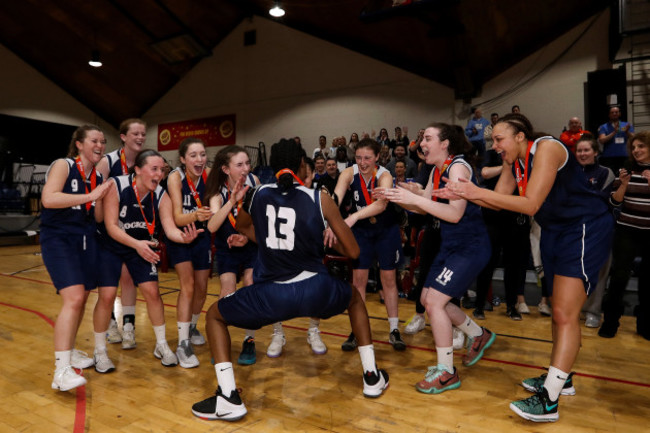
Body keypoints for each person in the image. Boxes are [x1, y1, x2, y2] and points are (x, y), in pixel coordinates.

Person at [191, 138, 389, 421]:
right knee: (355, 299)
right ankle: (371, 377)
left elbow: (243, 226)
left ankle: (228, 397)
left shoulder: (257, 194)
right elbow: (354, 252)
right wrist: (320, 244)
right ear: (302, 165)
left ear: (271, 165)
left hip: (272, 296)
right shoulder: (318, 196)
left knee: (214, 316)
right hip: (315, 289)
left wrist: (271, 243)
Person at [440, 113, 614, 422]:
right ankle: (560, 377)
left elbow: (530, 204)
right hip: (554, 231)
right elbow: (500, 200)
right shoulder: (512, 162)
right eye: (492, 140)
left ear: (520, 136)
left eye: (499, 139)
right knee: (559, 310)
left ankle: (549, 401)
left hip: (585, 227)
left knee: (563, 313)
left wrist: (475, 192)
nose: (494, 145)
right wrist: (463, 195)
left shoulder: (546, 148)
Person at [377, 122, 494, 394]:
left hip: (470, 247)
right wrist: (395, 198)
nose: (421, 144)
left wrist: (412, 197)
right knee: (428, 299)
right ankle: (478, 334)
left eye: (427, 138)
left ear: (445, 143)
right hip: (451, 246)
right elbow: (426, 205)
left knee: (436, 304)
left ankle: (446, 372)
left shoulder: (458, 168)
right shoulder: (438, 169)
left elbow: (454, 214)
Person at [93, 149, 202, 371]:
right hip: (111, 246)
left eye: (161, 169)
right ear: (138, 170)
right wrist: (137, 245)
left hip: (139, 247)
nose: (159, 174)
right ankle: (99, 351)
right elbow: (111, 227)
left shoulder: (161, 194)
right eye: (154, 169)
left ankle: (161, 345)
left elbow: (170, 228)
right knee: (107, 296)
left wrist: (183, 237)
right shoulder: (118, 185)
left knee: (152, 292)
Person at [41, 125, 113, 391]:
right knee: (72, 298)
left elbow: (97, 217)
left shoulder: (96, 175)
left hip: (85, 238)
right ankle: (60, 371)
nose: (100, 145)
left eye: (103, 141)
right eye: (94, 140)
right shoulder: (64, 164)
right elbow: (48, 199)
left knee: (82, 297)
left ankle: (69, 351)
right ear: (79, 144)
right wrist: (90, 195)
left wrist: (103, 197)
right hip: (59, 238)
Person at [332, 138, 406, 351]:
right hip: (362, 232)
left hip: (385, 230)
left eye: (367, 158)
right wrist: (330, 216)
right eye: (358, 157)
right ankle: (357, 329)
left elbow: (381, 205)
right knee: (359, 280)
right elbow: (337, 196)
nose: (362, 162)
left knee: (388, 279)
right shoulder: (348, 173)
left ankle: (394, 329)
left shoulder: (384, 175)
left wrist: (353, 217)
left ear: (376, 158)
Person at [96, 118, 147, 350]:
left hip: (132, 228)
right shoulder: (109, 161)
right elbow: (96, 193)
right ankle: (110, 323)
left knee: (128, 278)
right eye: (135, 133)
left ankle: (129, 327)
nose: (140, 137)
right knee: (109, 282)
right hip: (108, 229)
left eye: (143, 134)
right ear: (124, 137)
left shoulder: (145, 162)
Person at [165, 138, 213, 368]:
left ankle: (192, 326)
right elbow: (177, 217)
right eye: (193, 155)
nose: (199, 159)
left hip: (202, 237)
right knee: (189, 286)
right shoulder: (175, 177)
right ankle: (183, 343)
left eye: (202, 154)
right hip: (180, 237)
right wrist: (197, 215)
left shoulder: (210, 175)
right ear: (183, 159)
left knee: (202, 287)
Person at [599, 131, 650, 340]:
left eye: (641, 146)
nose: (636, 150)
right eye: (634, 147)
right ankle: (610, 323)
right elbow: (614, 202)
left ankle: (645, 324)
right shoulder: (627, 168)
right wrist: (624, 185)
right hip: (626, 230)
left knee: (648, 281)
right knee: (619, 278)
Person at [473, 139, 530, 321]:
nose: (498, 144)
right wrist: (507, 166)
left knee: (513, 264)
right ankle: (479, 304)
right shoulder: (493, 154)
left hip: (516, 214)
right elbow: (484, 173)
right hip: (493, 215)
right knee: (488, 261)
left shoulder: (524, 158)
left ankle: (512, 306)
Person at [574, 136, 615, 328]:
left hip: (600, 229)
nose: (582, 154)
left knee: (599, 271)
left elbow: (602, 199)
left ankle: (593, 311)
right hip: (575, 228)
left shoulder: (606, 172)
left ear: (595, 152)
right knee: (577, 272)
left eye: (586, 150)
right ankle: (577, 308)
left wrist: (581, 195)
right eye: (579, 151)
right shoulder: (571, 173)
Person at [598, 106, 634, 173]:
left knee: (624, 176)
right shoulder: (603, 127)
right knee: (610, 178)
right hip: (609, 157)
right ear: (609, 114)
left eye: (616, 112)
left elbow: (634, 138)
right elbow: (602, 140)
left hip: (624, 156)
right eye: (612, 112)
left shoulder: (626, 125)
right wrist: (614, 132)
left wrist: (627, 132)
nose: (614, 114)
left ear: (619, 113)